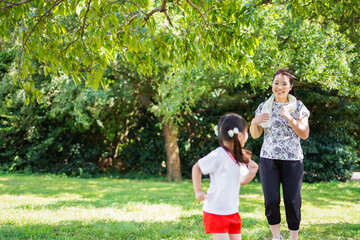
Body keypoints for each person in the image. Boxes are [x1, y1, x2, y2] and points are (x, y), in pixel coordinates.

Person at [249, 68, 310, 240]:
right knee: (271, 200)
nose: (279, 87)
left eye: (284, 84)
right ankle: (276, 237)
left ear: (290, 87)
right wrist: (254, 121)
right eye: (276, 83)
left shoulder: (298, 107)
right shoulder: (264, 107)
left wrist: (289, 118)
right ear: (272, 85)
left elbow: (304, 134)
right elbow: (255, 134)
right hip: (268, 159)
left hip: (292, 160)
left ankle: (293, 237)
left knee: (292, 201)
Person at [192, 113, 259, 240]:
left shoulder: (239, 157)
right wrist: (198, 191)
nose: (248, 136)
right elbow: (197, 167)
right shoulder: (218, 155)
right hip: (216, 212)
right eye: (246, 132)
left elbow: (242, 181)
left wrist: (252, 173)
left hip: (232, 212)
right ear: (239, 136)